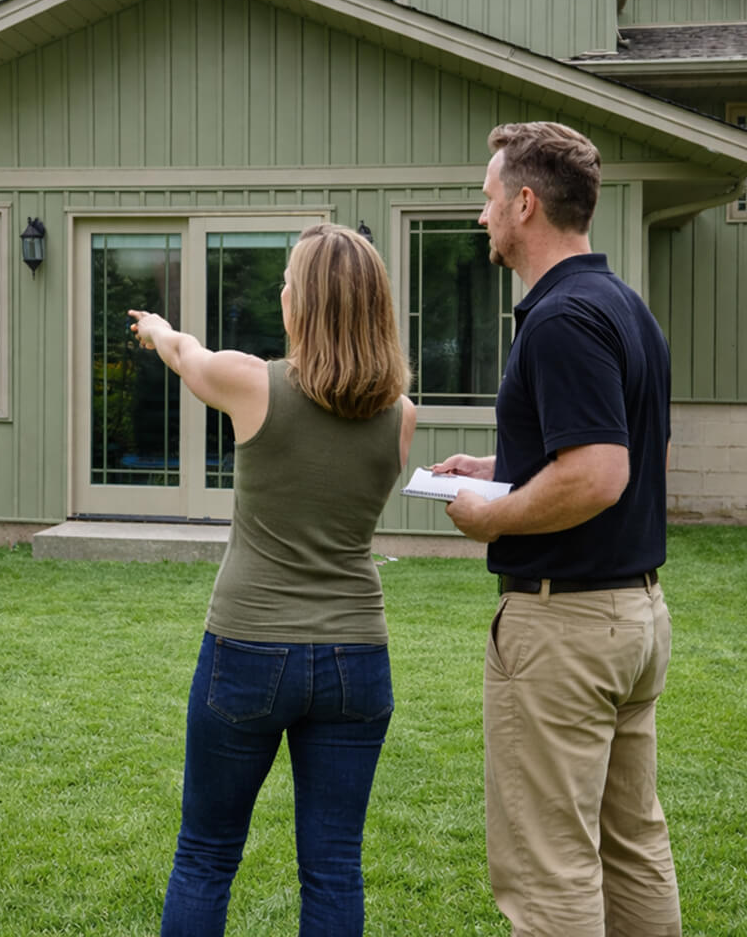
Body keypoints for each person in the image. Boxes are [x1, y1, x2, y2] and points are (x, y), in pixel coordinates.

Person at [129, 223, 416, 937]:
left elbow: (185, 355)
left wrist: (162, 328)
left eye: (290, 282)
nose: (283, 291)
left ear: (304, 306)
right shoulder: (402, 415)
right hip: (357, 658)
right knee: (334, 867)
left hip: (249, 652)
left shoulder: (251, 382)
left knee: (205, 854)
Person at [431, 121, 681, 936]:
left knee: (551, 868)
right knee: (631, 842)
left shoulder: (561, 318)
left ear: (525, 204)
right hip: (633, 617)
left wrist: (491, 515)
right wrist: (502, 467)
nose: (482, 217)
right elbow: (593, 452)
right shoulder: (623, 308)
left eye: (488, 199)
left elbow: (599, 473)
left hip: (565, 627)